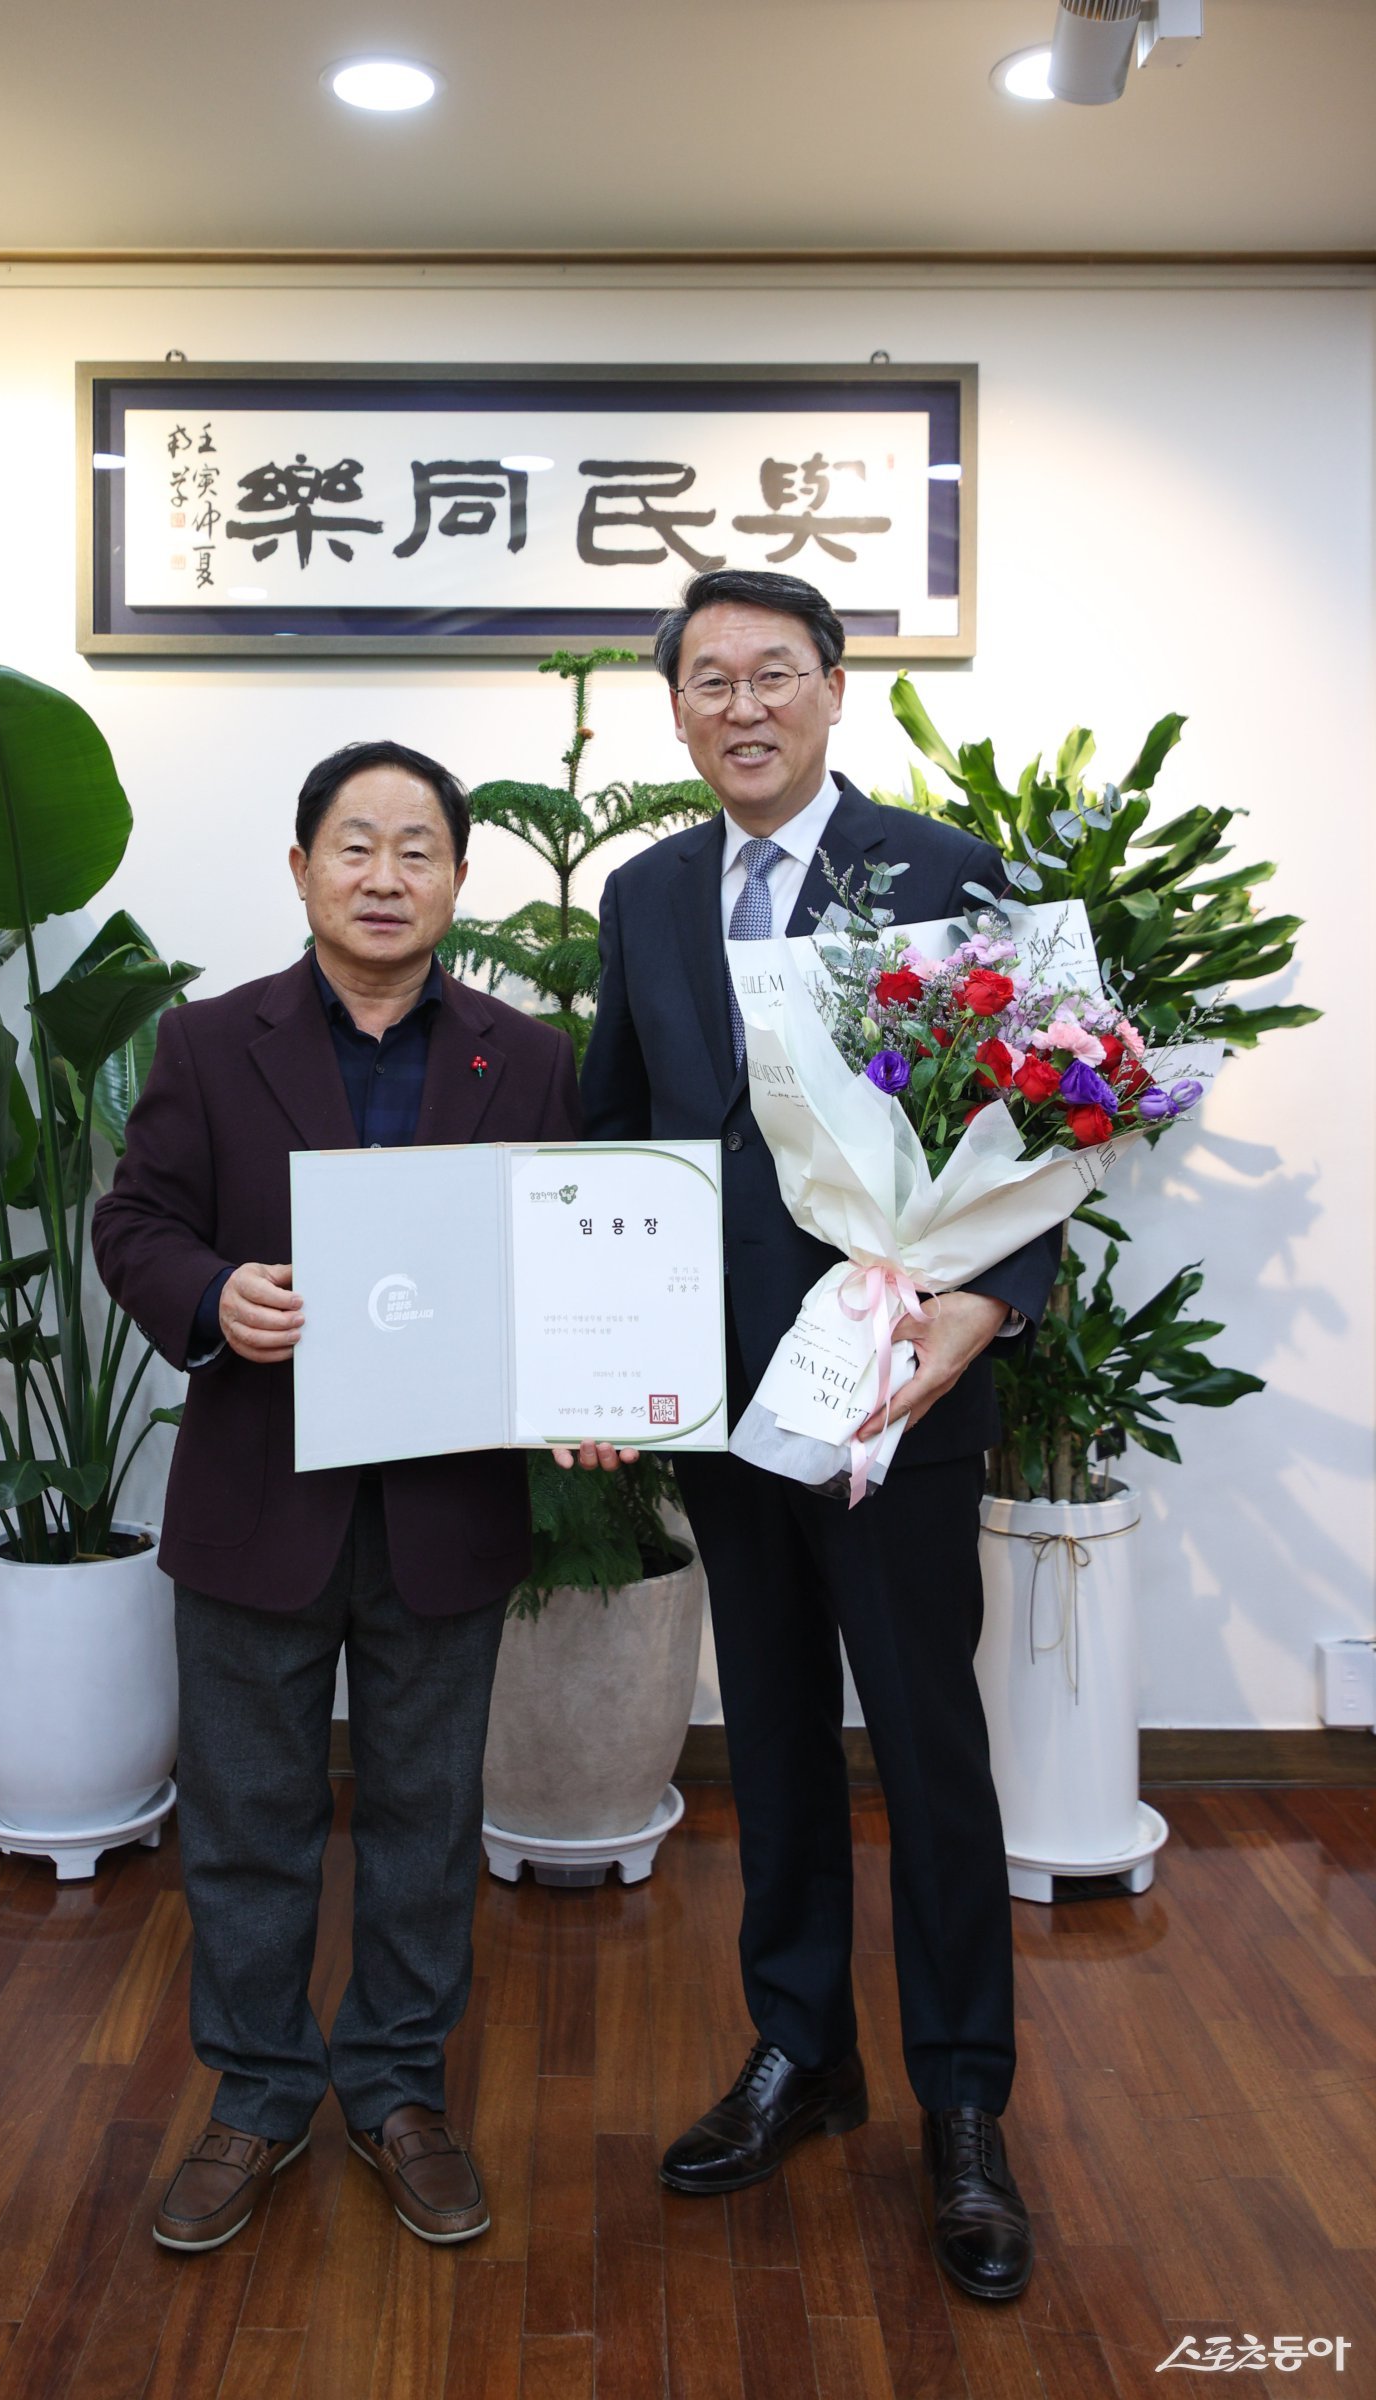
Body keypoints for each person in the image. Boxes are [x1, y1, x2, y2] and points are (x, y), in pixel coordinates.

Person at [579, 568, 1058, 2302]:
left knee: (929, 1750)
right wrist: (597, 1372)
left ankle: (965, 2106)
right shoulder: (647, 893)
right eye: (708, 679)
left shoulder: (942, 870)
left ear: (836, 687)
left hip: (896, 1390)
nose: (743, 705)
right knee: (772, 1737)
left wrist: (990, 1304)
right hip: (723, 1401)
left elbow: (1041, 1106)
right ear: (679, 710)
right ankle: (801, 2053)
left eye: (774, 671)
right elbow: (620, 1133)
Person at [93, 739, 579, 2256]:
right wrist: (210, 1294)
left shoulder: (526, 1059)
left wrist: (593, 1386)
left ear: (457, 878)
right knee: (248, 1817)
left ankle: (398, 2089)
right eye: (354, 845)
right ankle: (256, 2095)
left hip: (446, 1505)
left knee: (429, 1819)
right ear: (302, 870)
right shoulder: (206, 1041)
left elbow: (566, 1258)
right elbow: (136, 1220)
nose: (385, 875)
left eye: (417, 848)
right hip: (260, 1498)